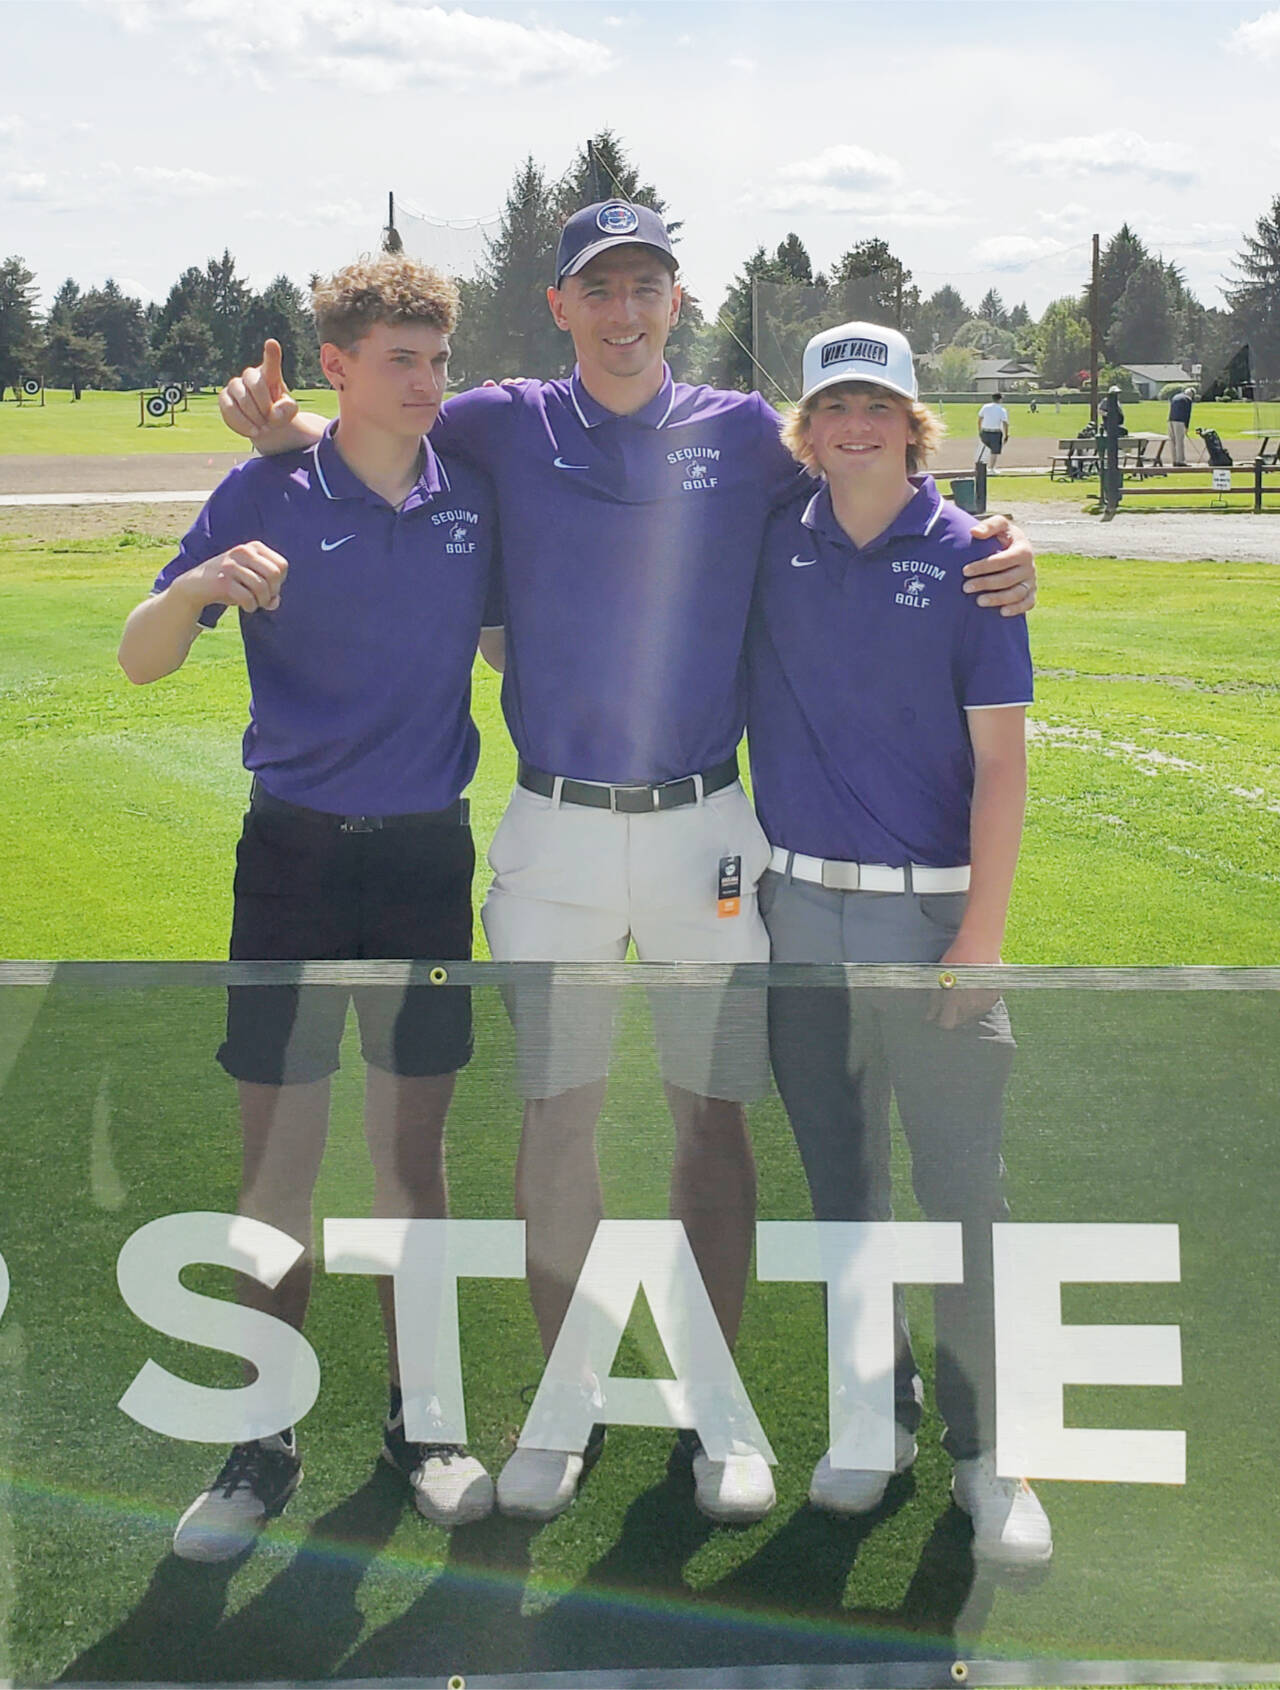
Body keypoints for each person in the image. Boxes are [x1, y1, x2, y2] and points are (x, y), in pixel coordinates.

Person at [216, 201, 1039, 1528]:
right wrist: (285, 431)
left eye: (645, 285)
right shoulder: (501, 420)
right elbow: (381, 429)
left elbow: (873, 480)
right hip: (552, 830)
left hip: (704, 832)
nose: (622, 310)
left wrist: (992, 539)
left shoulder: (744, 434)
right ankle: (568, 1407)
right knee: (560, 1120)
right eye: (598, 288)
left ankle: (718, 1414)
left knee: (711, 1118)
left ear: (675, 300)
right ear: (559, 305)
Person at [118, 256, 502, 1558]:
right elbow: (140, 656)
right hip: (289, 861)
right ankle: (260, 1438)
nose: (427, 382)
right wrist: (194, 591)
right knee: (279, 1159)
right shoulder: (262, 489)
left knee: (410, 1161)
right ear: (337, 365)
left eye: (437, 360)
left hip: (425, 861)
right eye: (402, 360)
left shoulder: (471, 494)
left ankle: (422, 1423)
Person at [748, 321, 1052, 1569]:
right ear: (806, 429)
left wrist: (979, 936)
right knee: (843, 1187)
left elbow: (1001, 765)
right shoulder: (773, 541)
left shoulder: (973, 556)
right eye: (833, 407)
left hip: (933, 921)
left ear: (913, 423)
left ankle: (988, 1453)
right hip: (799, 917)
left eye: (877, 405)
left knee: (961, 1193)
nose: (855, 426)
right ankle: (873, 1417)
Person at [976, 391, 1009, 472]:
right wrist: (1006, 434)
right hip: (996, 432)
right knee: (994, 451)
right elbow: (1005, 423)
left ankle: (980, 468)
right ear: (1000, 399)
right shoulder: (1002, 410)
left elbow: (980, 419)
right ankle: (991, 468)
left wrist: (980, 430)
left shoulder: (985, 407)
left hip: (985, 431)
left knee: (983, 450)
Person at [1168, 386, 1194, 467]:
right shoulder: (1188, 399)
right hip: (1179, 421)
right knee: (1179, 441)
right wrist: (1186, 426)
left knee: (1172, 441)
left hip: (1170, 420)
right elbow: (1188, 414)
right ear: (1191, 394)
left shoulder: (1176, 396)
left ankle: (1174, 460)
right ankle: (1181, 461)